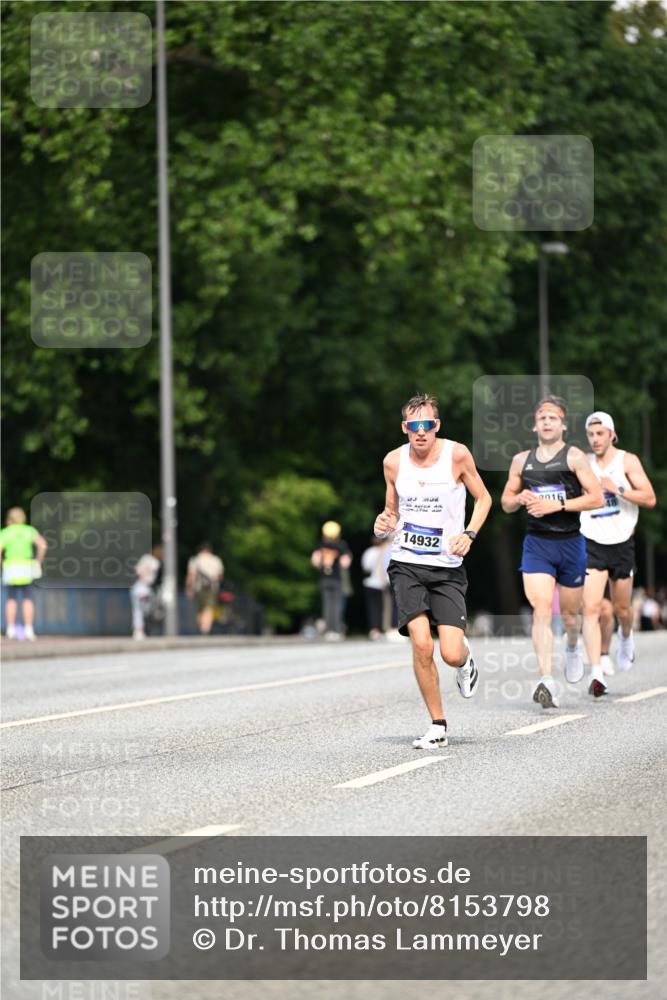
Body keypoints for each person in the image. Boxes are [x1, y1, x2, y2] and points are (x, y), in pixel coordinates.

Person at [374, 393, 491, 749]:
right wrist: (384, 521)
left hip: (447, 567)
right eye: (414, 426)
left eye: (427, 425)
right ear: (405, 428)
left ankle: (466, 660)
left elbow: (484, 498)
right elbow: (390, 511)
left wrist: (469, 533)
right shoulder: (393, 462)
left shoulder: (456, 455)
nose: (421, 432)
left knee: (450, 653)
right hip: (407, 563)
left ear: (437, 426)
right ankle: (437, 724)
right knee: (422, 645)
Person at [501, 396, 603, 709]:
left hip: (571, 543)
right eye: (542, 417)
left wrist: (557, 505)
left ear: (563, 425)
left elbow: (597, 498)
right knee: (542, 608)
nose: (547, 422)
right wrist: (518, 499)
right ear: (535, 424)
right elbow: (505, 502)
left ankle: (572, 646)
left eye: (553, 418)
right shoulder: (521, 461)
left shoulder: (574, 457)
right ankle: (546, 679)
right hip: (537, 544)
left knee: (571, 615)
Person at [580, 411, 656, 690]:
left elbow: (649, 498)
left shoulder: (627, 460)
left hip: (622, 541)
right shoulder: (584, 464)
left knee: (623, 608)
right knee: (591, 607)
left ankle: (626, 637)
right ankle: (597, 671)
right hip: (591, 540)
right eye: (591, 434)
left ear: (612, 434)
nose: (595, 439)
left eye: (600, 434)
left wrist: (618, 488)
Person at [0, 507, 48, 641]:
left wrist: (2, 564)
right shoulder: (29, 530)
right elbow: (43, 545)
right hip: (26, 566)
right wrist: (38, 561)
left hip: (10, 566)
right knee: (28, 598)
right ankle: (29, 629)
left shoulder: (5, 532)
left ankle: (10, 629)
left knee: (11, 599)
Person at [311, 521, 352, 640]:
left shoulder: (320, 545)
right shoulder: (341, 546)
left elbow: (315, 561)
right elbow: (346, 564)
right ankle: (336, 630)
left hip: (324, 579)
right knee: (336, 605)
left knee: (327, 605)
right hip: (336, 579)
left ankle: (329, 630)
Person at [186, 542, 224, 635]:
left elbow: (191, 575)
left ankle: (201, 626)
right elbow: (220, 575)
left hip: (198, 588)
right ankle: (205, 628)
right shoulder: (215, 560)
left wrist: (189, 588)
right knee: (209, 608)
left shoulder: (195, 559)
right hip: (212, 587)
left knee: (200, 608)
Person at [361, 535, 393, 639]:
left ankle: (374, 630)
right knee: (384, 607)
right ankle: (386, 628)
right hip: (382, 583)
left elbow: (366, 567)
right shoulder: (387, 551)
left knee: (373, 607)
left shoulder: (369, 552)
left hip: (370, 583)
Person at [130, 544, 163, 640]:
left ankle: (139, 630)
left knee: (138, 610)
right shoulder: (154, 562)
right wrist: (143, 575)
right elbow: (141, 571)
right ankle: (139, 631)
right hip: (143, 588)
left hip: (138, 587)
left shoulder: (145, 557)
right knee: (143, 610)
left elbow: (137, 569)